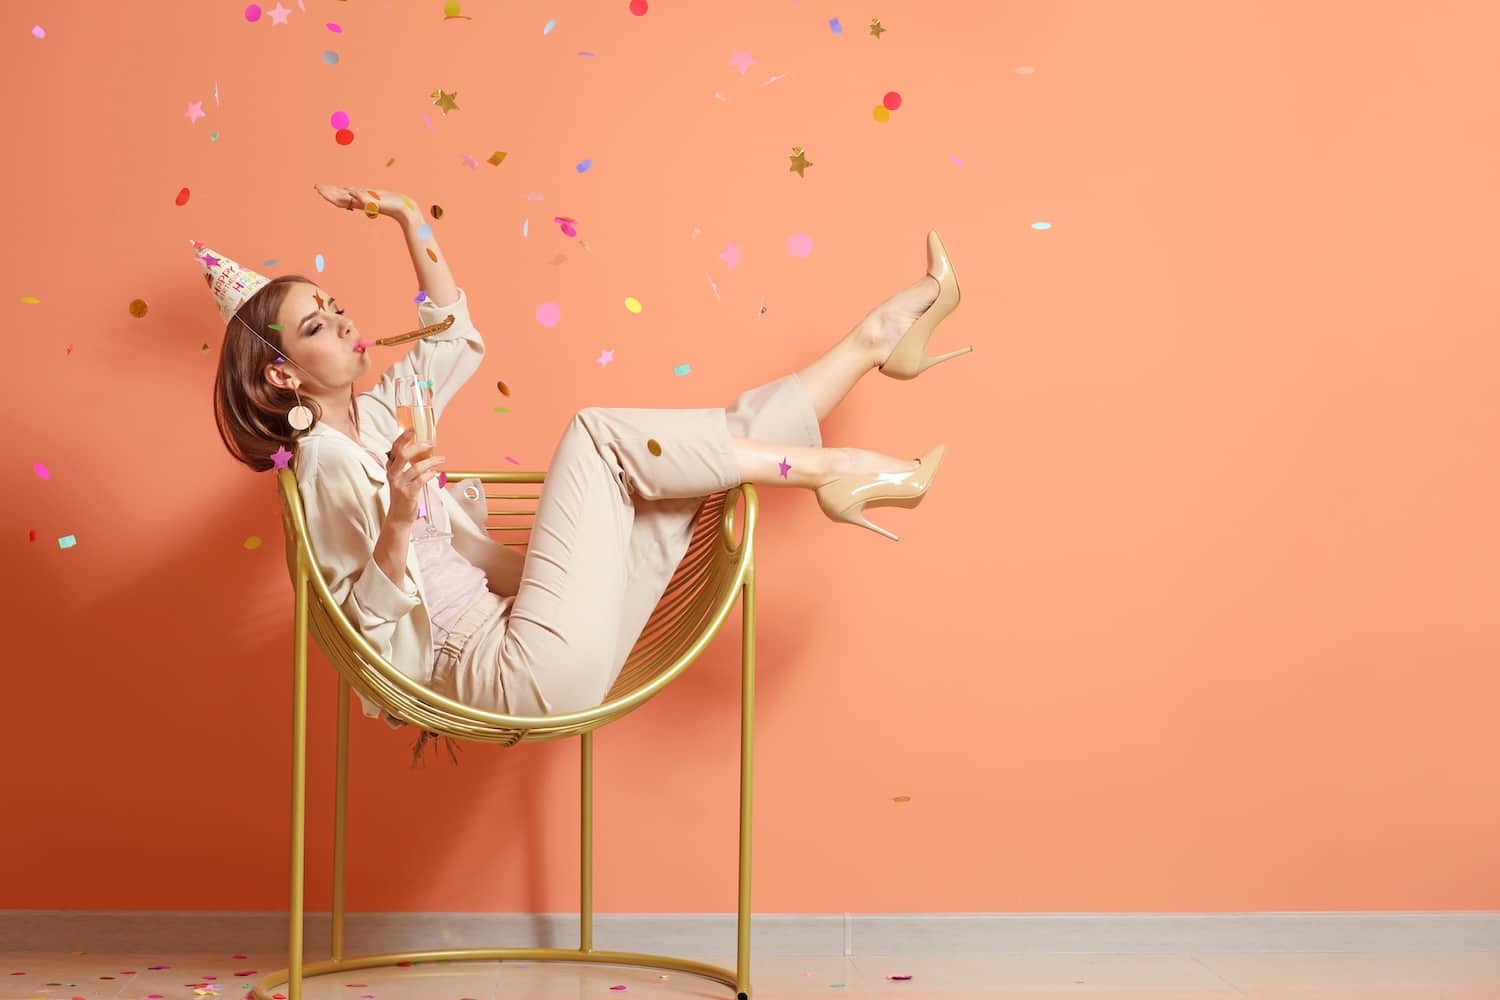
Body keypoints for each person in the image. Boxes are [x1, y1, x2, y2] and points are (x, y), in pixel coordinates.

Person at [208, 183, 970, 762]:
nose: (343, 323)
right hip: (505, 672)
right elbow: (363, 628)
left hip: (559, 643)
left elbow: (453, 337)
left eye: (334, 306)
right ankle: (832, 467)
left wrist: (410, 218)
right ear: (282, 377)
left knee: (704, 460)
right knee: (597, 437)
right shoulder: (323, 463)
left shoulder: (375, 419)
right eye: (315, 326)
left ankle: (874, 343)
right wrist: (403, 514)